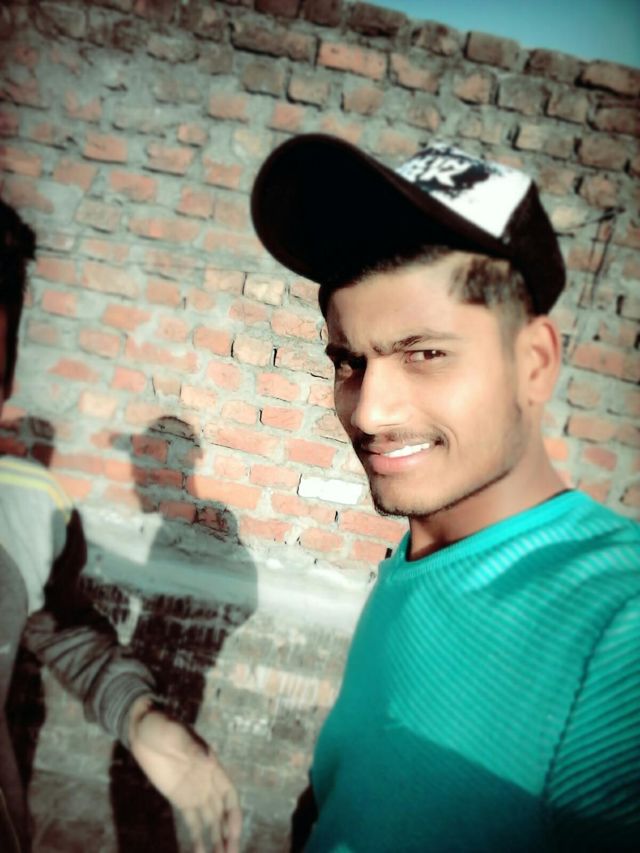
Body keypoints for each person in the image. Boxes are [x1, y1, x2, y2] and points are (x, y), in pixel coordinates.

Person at [251, 134, 640, 851]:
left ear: (534, 362)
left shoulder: (618, 630)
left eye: (425, 353)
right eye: (349, 362)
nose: (369, 413)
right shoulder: (417, 558)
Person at [0, 199, 242, 853]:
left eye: (149, 463)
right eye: (140, 463)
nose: (139, 476)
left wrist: (137, 715)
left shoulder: (28, 509)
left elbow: (55, 626)